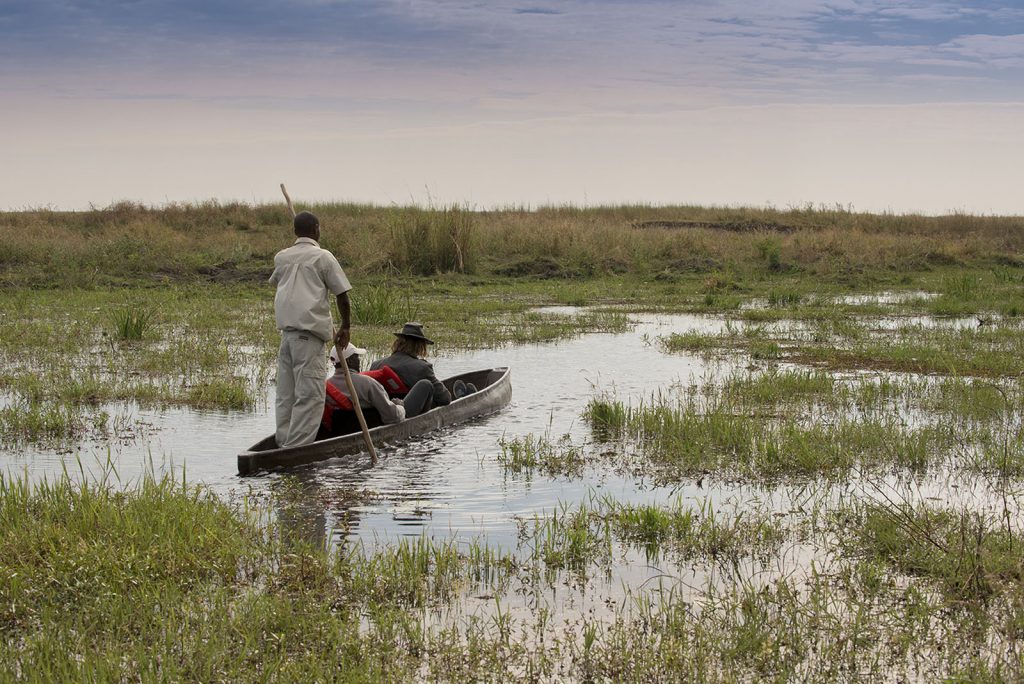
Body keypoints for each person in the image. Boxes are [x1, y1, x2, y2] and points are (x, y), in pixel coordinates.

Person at [270, 210, 352, 448]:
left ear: (296, 232)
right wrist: (345, 327)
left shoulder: (282, 257)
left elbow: (278, 282)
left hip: (287, 337)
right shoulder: (323, 257)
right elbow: (342, 295)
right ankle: (295, 451)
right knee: (310, 397)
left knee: (287, 395)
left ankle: (283, 442)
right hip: (308, 338)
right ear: (316, 229)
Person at [321, 343, 416, 437]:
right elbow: (392, 417)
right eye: (356, 357)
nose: (358, 360)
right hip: (367, 432)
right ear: (349, 361)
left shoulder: (325, 386)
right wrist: (400, 407)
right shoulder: (368, 383)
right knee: (424, 385)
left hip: (340, 432)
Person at [368, 322, 452, 413]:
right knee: (427, 386)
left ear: (398, 343)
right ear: (420, 346)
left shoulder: (376, 365)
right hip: (405, 414)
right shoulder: (422, 367)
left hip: (380, 413)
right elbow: (445, 398)